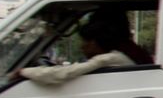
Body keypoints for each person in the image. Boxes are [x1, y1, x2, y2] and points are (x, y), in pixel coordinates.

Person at [18, 12, 152, 85]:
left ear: (97, 41)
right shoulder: (126, 51)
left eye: (86, 42)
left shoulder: (108, 58)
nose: (82, 47)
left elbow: (64, 73)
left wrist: (24, 72)